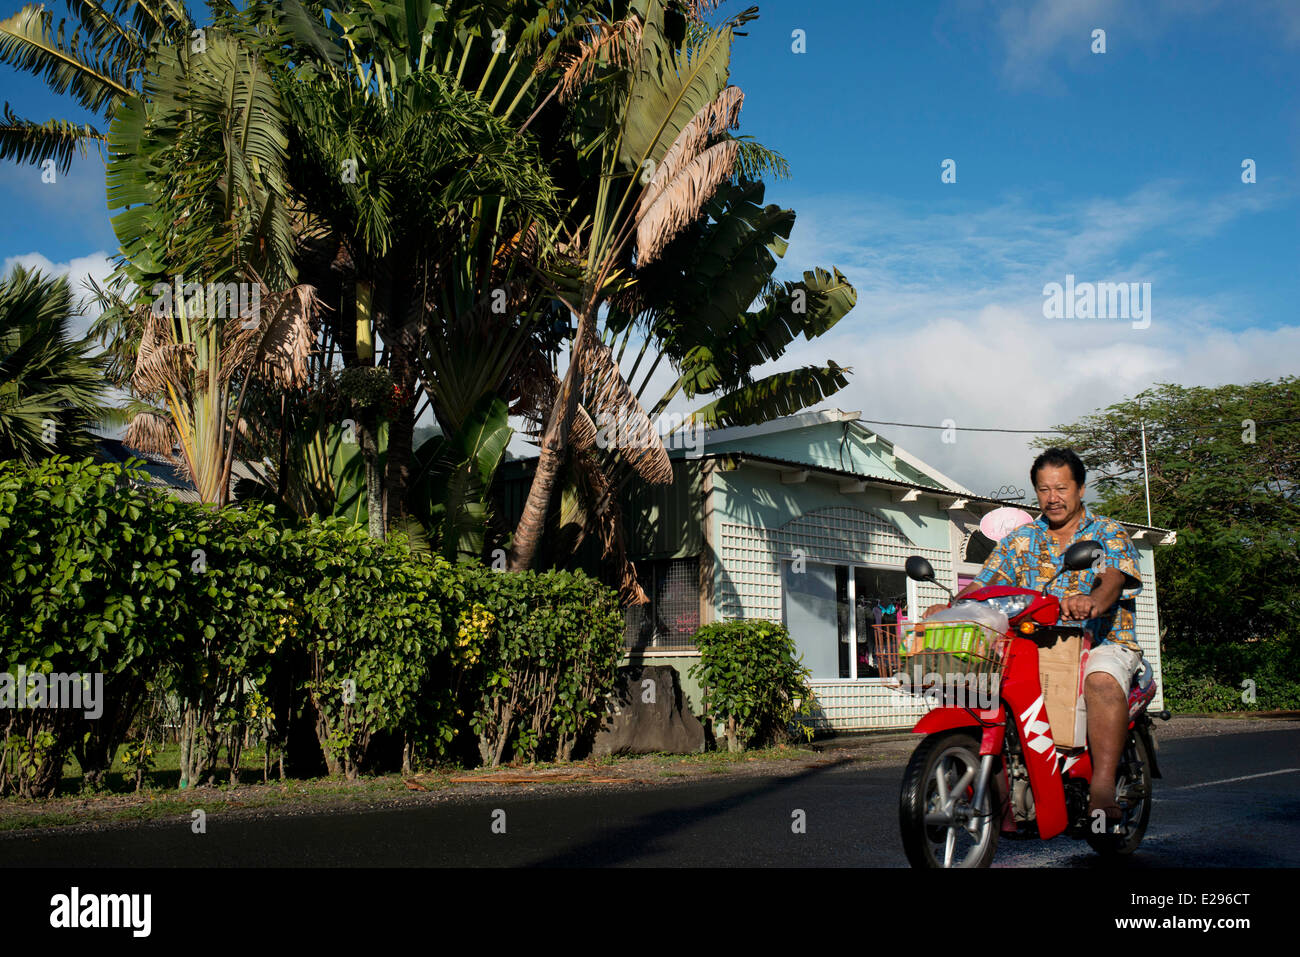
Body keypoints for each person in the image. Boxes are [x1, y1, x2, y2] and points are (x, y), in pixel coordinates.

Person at [921, 447, 1143, 825]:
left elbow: (1112, 578)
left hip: (1103, 641)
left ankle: (1102, 789)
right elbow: (984, 585)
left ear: (1081, 489)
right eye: (1044, 489)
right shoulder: (1021, 540)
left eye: (1061, 488)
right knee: (984, 684)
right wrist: (952, 607)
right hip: (1032, 644)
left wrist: (1092, 601)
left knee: (1102, 680)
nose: (1052, 498)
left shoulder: (1107, 532)